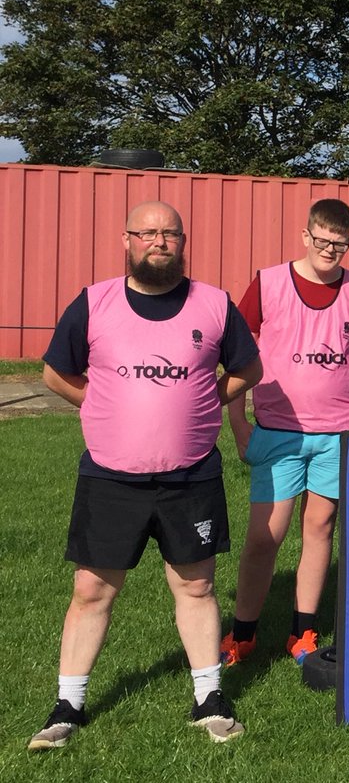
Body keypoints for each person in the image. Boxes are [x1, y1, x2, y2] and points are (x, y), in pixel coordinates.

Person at [30, 202, 262, 751]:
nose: (159, 241)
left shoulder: (214, 304)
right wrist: (95, 403)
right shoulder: (94, 302)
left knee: (197, 585)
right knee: (92, 589)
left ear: (183, 241)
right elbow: (53, 372)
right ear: (127, 239)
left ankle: (209, 697)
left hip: (191, 475)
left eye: (170, 233)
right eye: (148, 232)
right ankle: (68, 705)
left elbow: (248, 369)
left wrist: (209, 398)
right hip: (112, 475)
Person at [221, 199, 349, 668]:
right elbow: (237, 356)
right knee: (264, 537)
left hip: (339, 432)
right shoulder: (269, 282)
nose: (330, 250)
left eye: (340, 243)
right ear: (305, 236)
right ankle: (244, 632)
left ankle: (302, 631)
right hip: (278, 431)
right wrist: (238, 424)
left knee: (320, 528)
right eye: (322, 240)